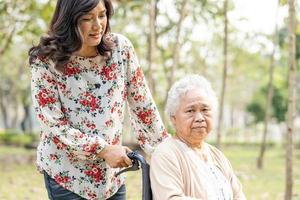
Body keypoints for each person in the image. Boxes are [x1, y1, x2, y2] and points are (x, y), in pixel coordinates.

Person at [28, 0, 169, 199]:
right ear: (69, 21)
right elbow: (53, 124)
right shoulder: (45, 60)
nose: (97, 26)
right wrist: (102, 149)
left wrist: (165, 152)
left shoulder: (121, 49)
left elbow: (143, 106)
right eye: (87, 18)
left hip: (112, 176)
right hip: (67, 175)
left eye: (102, 15)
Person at [150, 75, 246, 200]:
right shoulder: (166, 154)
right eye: (190, 111)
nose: (200, 118)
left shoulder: (217, 156)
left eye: (205, 109)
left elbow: (238, 196)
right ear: (173, 118)